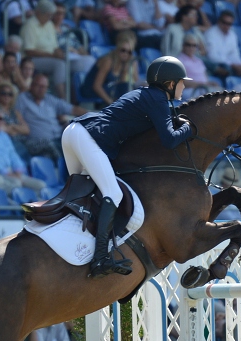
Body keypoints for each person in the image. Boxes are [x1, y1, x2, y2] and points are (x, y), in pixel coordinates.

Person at [63, 55, 194, 278]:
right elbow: (170, 139)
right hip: (88, 137)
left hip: (74, 132)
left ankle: (70, 244)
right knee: (112, 193)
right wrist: (190, 128)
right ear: (170, 84)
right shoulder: (158, 98)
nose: (184, 85)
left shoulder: (147, 95)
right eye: (181, 81)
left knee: (83, 195)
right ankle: (101, 258)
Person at [0, 105, 45, 193]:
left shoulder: (4, 136)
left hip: (14, 173)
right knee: (17, 183)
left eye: (0, 119)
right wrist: (9, 174)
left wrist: (18, 170)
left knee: (41, 185)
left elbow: (13, 154)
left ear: (3, 122)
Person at [17, 72, 85, 159]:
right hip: (40, 142)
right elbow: (17, 117)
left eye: (44, 87)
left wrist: (93, 114)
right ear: (32, 85)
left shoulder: (49, 99)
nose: (41, 89)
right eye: (39, 86)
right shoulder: (22, 99)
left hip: (59, 138)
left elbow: (72, 109)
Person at [19, 1, 68, 99]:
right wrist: (53, 56)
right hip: (32, 59)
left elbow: (55, 46)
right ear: (39, 13)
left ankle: (73, 98)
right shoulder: (30, 25)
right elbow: (29, 51)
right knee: (59, 65)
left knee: (68, 62)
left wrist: (59, 52)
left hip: (49, 57)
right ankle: (63, 98)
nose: (50, 18)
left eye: (51, 15)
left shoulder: (49, 24)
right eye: (48, 15)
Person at [81, 30, 139, 107]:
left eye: (129, 52)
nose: (126, 54)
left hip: (108, 89)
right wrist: (111, 103)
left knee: (130, 88)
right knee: (125, 89)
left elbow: (123, 83)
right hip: (91, 91)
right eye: (123, 50)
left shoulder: (125, 62)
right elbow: (96, 86)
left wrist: (126, 69)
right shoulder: (108, 61)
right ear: (118, 48)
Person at [204, 10, 241, 78]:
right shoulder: (210, 33)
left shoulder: (232, 35)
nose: (226, 26)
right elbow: (212, 56)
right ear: (219, 21)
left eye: (229, 24)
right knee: (228, 69)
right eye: (224, 22)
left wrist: (240, 64)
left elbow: (234, 54)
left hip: (229, 65)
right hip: (216, 66)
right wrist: (232, 65)